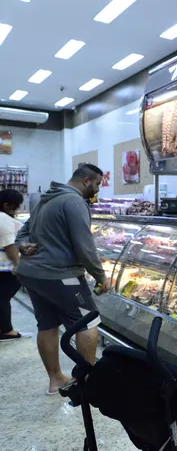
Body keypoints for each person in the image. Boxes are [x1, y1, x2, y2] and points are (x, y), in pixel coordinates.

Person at [15, 164, 108, 396]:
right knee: (88, 321)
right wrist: (100, 275)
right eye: (97, 184)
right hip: (61, 275)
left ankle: (56, 380)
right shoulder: (74, 201)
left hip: (32, 274)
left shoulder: (46, 198)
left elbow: (23, 230)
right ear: (86, 180)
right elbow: (84, 244)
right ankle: (88, 382)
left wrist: (22, 244)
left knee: (47, 324)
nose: (97, 190)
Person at [0, 188, 30, 341]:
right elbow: (9, 246)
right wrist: (18, 266)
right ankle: (6, 331)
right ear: (6, 205)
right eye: (17, 205)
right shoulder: (3, 219)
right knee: (3, 298)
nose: (18, 209)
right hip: (5, 268)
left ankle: (5, 328)